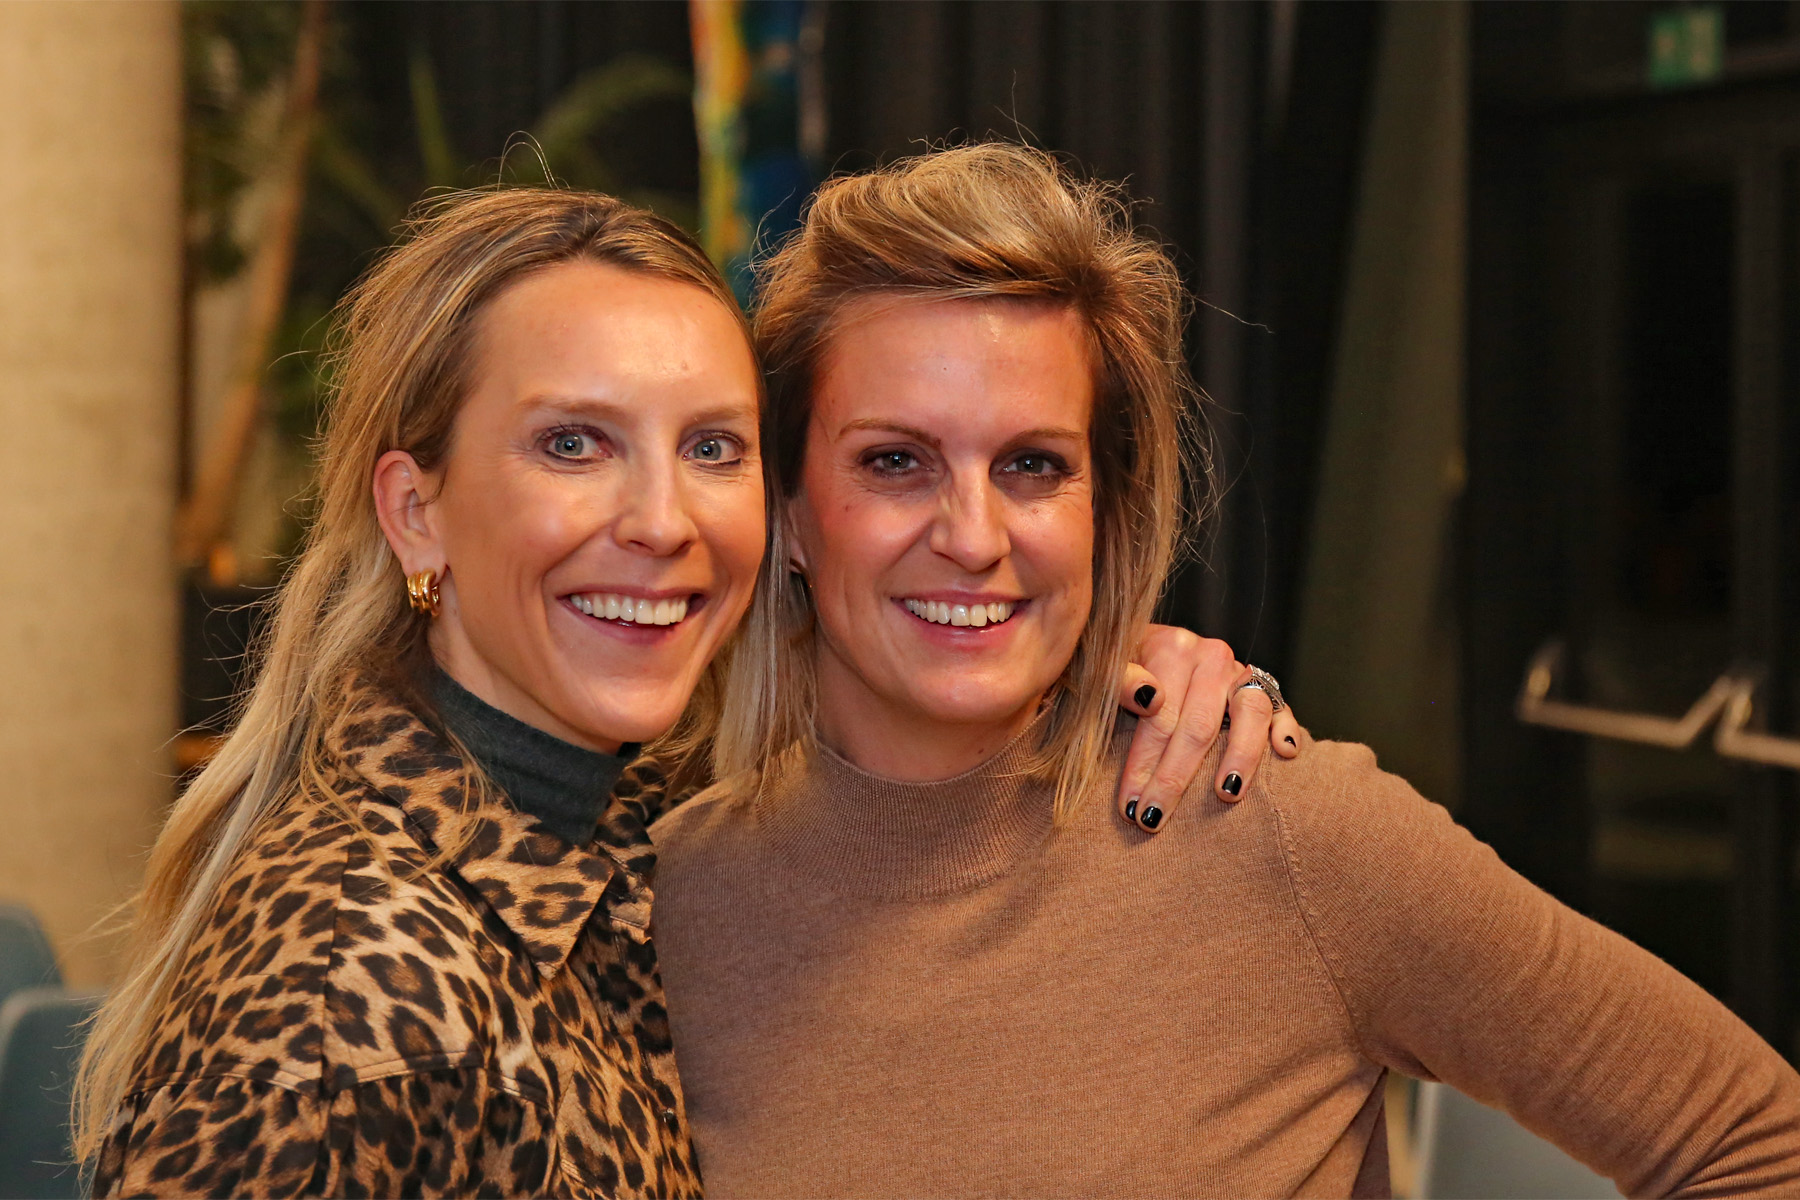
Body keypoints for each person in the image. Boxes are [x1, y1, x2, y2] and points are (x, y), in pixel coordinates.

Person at [75, 188, 1294, 1198]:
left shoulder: (623, 840)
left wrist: (1124, 664)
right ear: (415, 510)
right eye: (573, 444)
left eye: (711, 447)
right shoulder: (349, 988)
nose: (662, 523)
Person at [649, 143, 1800, 1198]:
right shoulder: (666, 913)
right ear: (787, 510)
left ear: (1104, 512)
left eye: (1034, 465)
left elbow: (1757, 1139)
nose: (974, 535)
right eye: (896, 461)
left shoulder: (1276, 831)